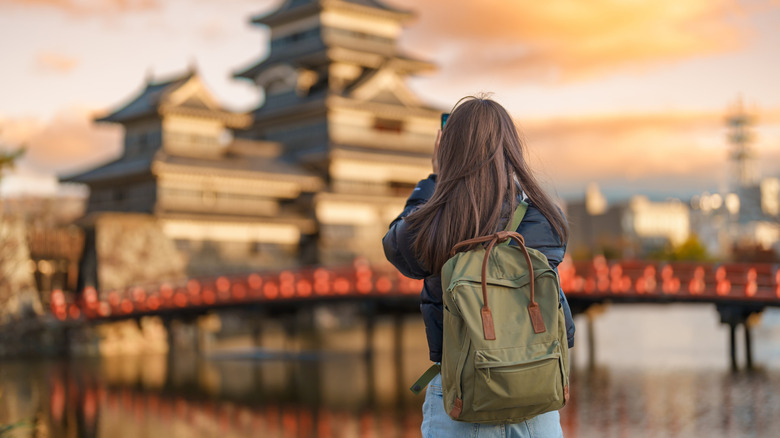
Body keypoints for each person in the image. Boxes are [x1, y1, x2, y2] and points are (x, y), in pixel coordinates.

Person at [382, 96, 575, 437]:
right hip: (537, 399)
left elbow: (396, 244)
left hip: (459, 400)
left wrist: (434, 179)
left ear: (449, 152)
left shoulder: (435, 224)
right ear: (511, 149)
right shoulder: (545, 216)